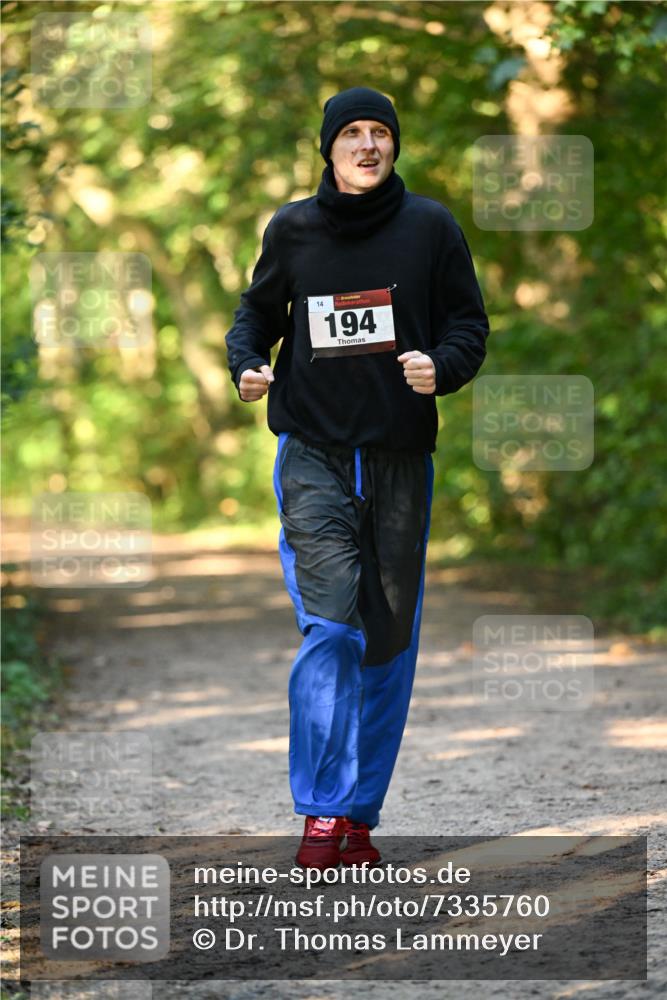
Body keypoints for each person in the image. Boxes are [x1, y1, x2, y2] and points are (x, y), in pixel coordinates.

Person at [225, 87, 489, 869]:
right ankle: (319, 813)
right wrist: (244, 364)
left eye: (381, 133)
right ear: (329, 148)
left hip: (401, 460)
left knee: (386, 644)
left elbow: (468, 326)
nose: (368, 145)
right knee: (331, 628)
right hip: (312, 453)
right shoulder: (294, 229)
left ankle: (358, 817)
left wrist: (438, 368)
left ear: (393, 147)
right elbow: (254, 317)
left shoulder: (431, 228)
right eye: (353, 133)